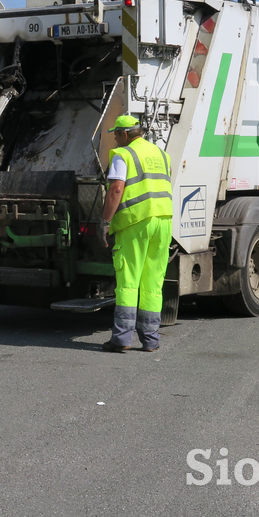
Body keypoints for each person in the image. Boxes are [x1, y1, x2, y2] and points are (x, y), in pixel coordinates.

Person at [98, 115, 173, 353]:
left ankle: (121, 339)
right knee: (153, 283)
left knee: (128, 282)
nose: (115, 139)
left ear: (125, 134)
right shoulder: (162, 155)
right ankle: (150, 340)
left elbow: (116, 189)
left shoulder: (124, 155)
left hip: (136, 223)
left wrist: (105, 221)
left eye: (116, 134)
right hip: (163, 221)